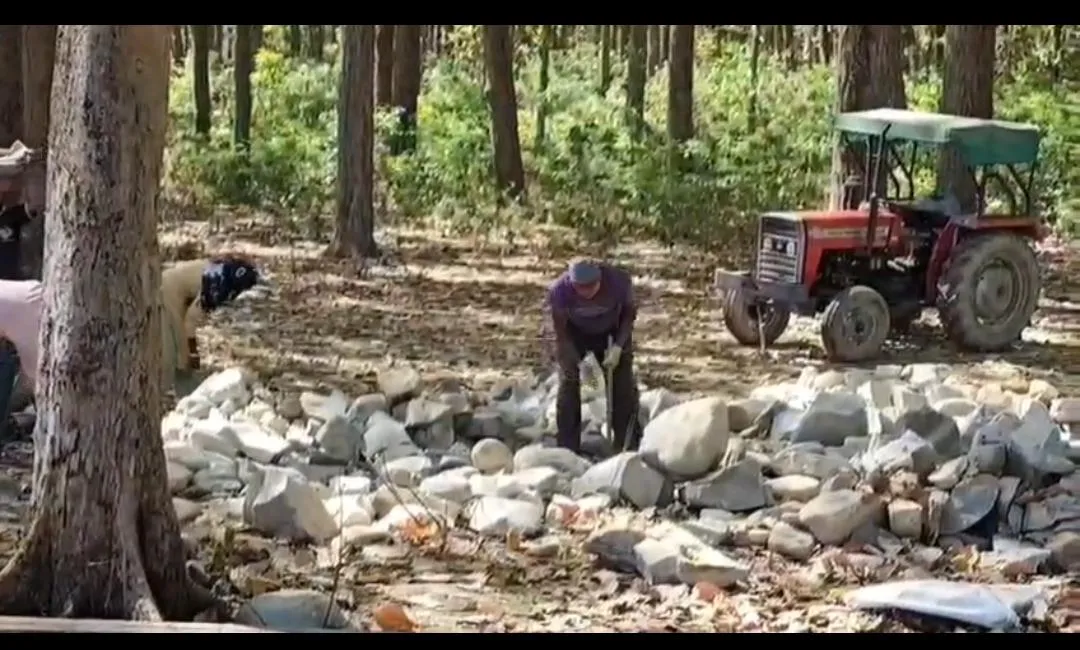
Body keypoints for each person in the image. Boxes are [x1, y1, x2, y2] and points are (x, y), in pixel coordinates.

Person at [546, 258, 641, 454]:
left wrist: (618, 347)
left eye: (590, 287)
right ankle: (567, 447)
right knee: (569, 384)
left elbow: (629, 315)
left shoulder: (618, 281)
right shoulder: (559, 291)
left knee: (622, 386)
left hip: (612, 333)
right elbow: (561, 332)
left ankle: (627, 443)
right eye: (580, 288)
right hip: (576, 336)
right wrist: (579, 363)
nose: (585, 292)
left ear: (600, 279)